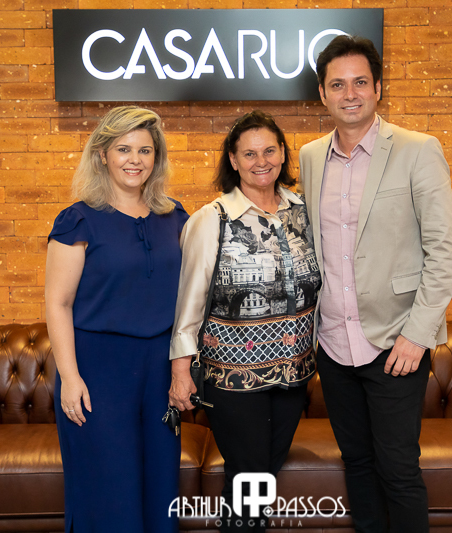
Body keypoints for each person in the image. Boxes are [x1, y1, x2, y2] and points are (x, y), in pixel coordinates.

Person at [298, 36, 452, 533]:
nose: (349, 94)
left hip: (396, 343)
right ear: (322, 94)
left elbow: (443, 251)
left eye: (360, 83)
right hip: (333, 344)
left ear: (378, 88)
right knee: (359, 464)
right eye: (337, 85)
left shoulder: (417, 150)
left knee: (398, 469)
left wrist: (417, 335)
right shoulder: (309, 156)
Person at [169, 110, 321, 533]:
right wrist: (180, 371)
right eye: (249, 153)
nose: (261, 161)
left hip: (295, 374)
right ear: (233, 160)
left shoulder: (304, 210)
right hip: (234, 379)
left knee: (263, 474)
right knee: (249, 475)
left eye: (269, 150)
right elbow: (189, 303)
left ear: (283, 153)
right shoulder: (212, 219)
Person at [45, 106, 189, 533]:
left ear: (156, 158)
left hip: (160, 370)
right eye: (124, 149)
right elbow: (57, 303)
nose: (135, 160)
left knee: (160, 486)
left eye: (145, 150)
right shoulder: (78, 220)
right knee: (109, 491)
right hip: (97, 371)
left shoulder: (175, 217)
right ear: (102, 154)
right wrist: (70, 378)